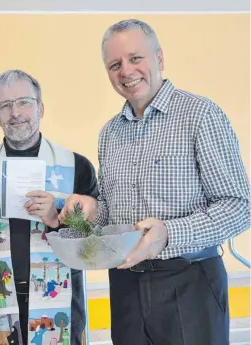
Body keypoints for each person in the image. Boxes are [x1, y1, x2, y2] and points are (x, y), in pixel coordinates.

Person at [67, 19, 250, 345]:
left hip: (190, 284)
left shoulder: (200, 115)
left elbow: (239, 206)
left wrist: (168, 234)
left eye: (135, 58)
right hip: (125, 288)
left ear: (160, 59)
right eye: (115, 64)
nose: (126, 71)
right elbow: (114, 217)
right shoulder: (109, 134)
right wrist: (94, 211)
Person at [0, 69, 98, 345]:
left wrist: (58, 218)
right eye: (5, 106)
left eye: (23, 102)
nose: (15, 112)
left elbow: (93, 243)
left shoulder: (77, 167)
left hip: (60, 299)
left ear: (40, 107)